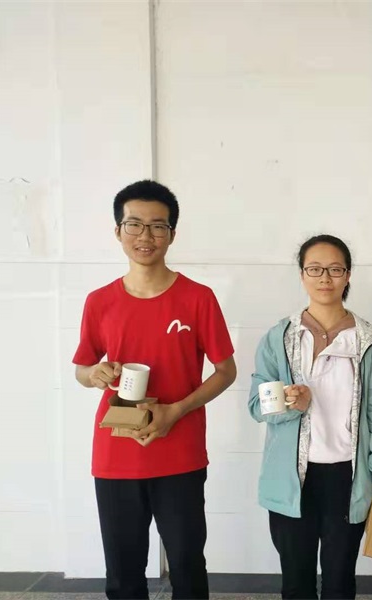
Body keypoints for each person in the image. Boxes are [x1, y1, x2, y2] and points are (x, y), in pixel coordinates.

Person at [73, 179, 237, 599]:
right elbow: (81, 369)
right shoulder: (99, 301)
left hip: (179, 451)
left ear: (172, 234)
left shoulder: (198, 298)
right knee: (123, 572)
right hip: (116, 451)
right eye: (134, 224)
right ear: (118, 231)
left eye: (157, 226)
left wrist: (175, 410)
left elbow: (225, 371)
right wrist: (95, 374)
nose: (145, 236)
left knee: (186, 564)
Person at [249, 234, 372, 600]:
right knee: (295, 583)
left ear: (348, 275)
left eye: (335, 269)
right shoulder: (279, 338)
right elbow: (256, 404)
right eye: (314, 269)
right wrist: (289, 404)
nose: (325, 278)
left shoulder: (369, 343)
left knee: (339, 583)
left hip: (347, 478)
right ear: (302, 275)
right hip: (291, 479)